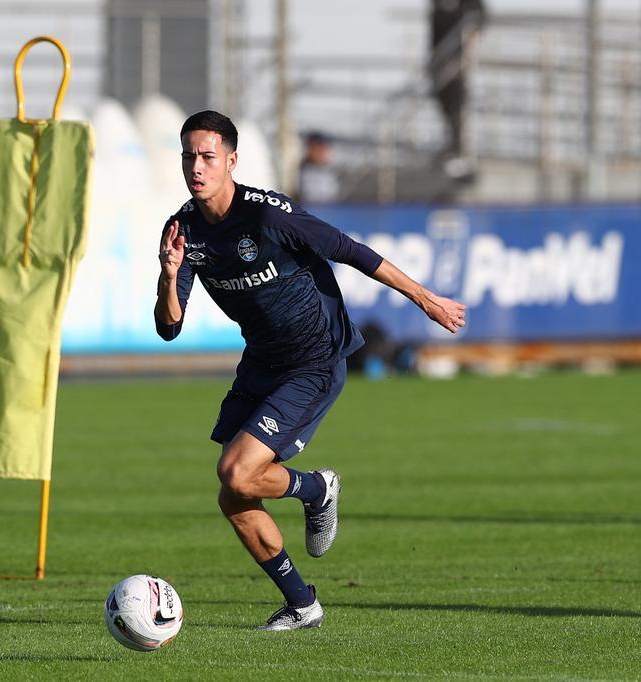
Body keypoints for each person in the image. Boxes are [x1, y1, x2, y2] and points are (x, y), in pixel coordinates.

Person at [155, 111, 465, 629]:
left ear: (231, 160)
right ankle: (303, 604)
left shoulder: (269, 215)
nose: (196, 166)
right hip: (261, 361)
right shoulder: (182, 231)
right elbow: (169, 327)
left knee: (236, 469)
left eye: (208, 156)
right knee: (235, 495)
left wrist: (424, 298)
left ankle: (317, 489)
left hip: (315, 359)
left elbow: (351, 251)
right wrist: (170, 277)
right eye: (188, 155)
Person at [429, 0, 487, 169]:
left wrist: (471, 36)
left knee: (457, 102)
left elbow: (481, 17)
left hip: (457, 59)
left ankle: (459, 150)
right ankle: (451, 147)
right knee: (444, 101)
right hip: (438, 57)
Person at [297, 131, 339, 204]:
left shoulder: (329, 170)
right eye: (319, 149)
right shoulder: (301, 171)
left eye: (325, 149)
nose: (322, 153)